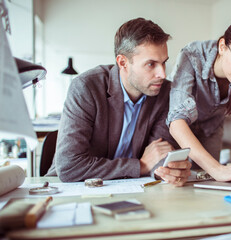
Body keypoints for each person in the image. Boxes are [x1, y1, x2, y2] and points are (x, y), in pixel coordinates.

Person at [46, 18, 191, 186]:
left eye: (163, 63)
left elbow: (158, 153)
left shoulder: (164, 92)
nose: (162, 74)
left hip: (134, 188)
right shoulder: (86, 87)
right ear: (123, 62)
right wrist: (140, 166)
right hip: (72, 189)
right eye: (151, 64)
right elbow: (69, 166)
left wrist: (167, 170)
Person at [166, 17, 231, 182]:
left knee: (207, 183)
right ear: (222, 46)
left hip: (211, 129)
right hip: (179, 132)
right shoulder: (192, 55)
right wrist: (217, 169)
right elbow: (177, 122)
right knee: (176, 181)